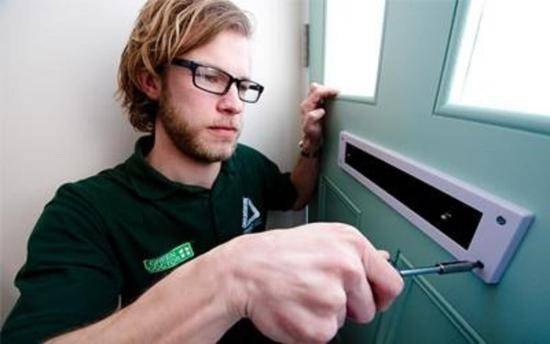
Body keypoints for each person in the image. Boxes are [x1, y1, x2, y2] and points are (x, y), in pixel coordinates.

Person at [1, 0, 403, 342]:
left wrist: (311, 145)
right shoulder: (85, 211)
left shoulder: (245, 162)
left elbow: (296, 194)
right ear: (151, 81)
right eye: (210, 76)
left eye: (242, 84)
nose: (234, 104)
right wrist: (230, 275)